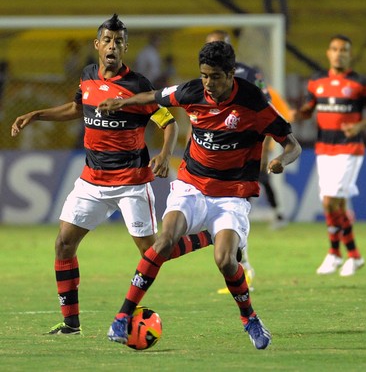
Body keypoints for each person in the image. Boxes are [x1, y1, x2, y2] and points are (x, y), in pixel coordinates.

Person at [10, 14, 211, 336]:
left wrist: (162, 153)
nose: (112, 46)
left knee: (154, 253)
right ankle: (71, 324)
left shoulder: (137, 86)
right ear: (97, 45)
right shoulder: (88, 76)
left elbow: (168, 122)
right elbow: (78, 108)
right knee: (63, 244)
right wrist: (37, 115)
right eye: (107, 40)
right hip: (91, 181)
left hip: (131, 183)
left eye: (118, 42)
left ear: (125, 48)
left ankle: (210, 236)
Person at [98, 40, 301, 350]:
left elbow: (293, 145)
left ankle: (249, 318)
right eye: (204, 75)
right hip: (192, 186)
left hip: (231, 194)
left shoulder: (254, 101)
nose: (209, 83)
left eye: (215, 76)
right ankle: (122, 317)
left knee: (225, 260)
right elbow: (154, 96)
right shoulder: (193, 91)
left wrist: (279, 161)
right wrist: (122, 103)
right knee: (163, 242)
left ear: (232, 74)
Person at [204, 30, 289, 296]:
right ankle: (243, 267)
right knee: (216, 220)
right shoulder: (206, 76)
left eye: (216, 46)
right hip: (215, 155)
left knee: (233, 213)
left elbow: (265, 110)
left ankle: (245, 268)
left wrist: (264, 148)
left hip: (243, 153)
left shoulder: (249, 74)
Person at [293, 34, 366, 277]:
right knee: (336, 203)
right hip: (324, 147)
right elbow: (308, 109)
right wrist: (299, 114)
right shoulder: (316, 82)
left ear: (349, 54)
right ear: (328, 53)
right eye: (334, 49)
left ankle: (343, 253)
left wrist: (359, 126)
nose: (339, 53)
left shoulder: (360, 83)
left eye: (343, 50)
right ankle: (346, 256)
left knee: (329, 201)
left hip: (349, 148)